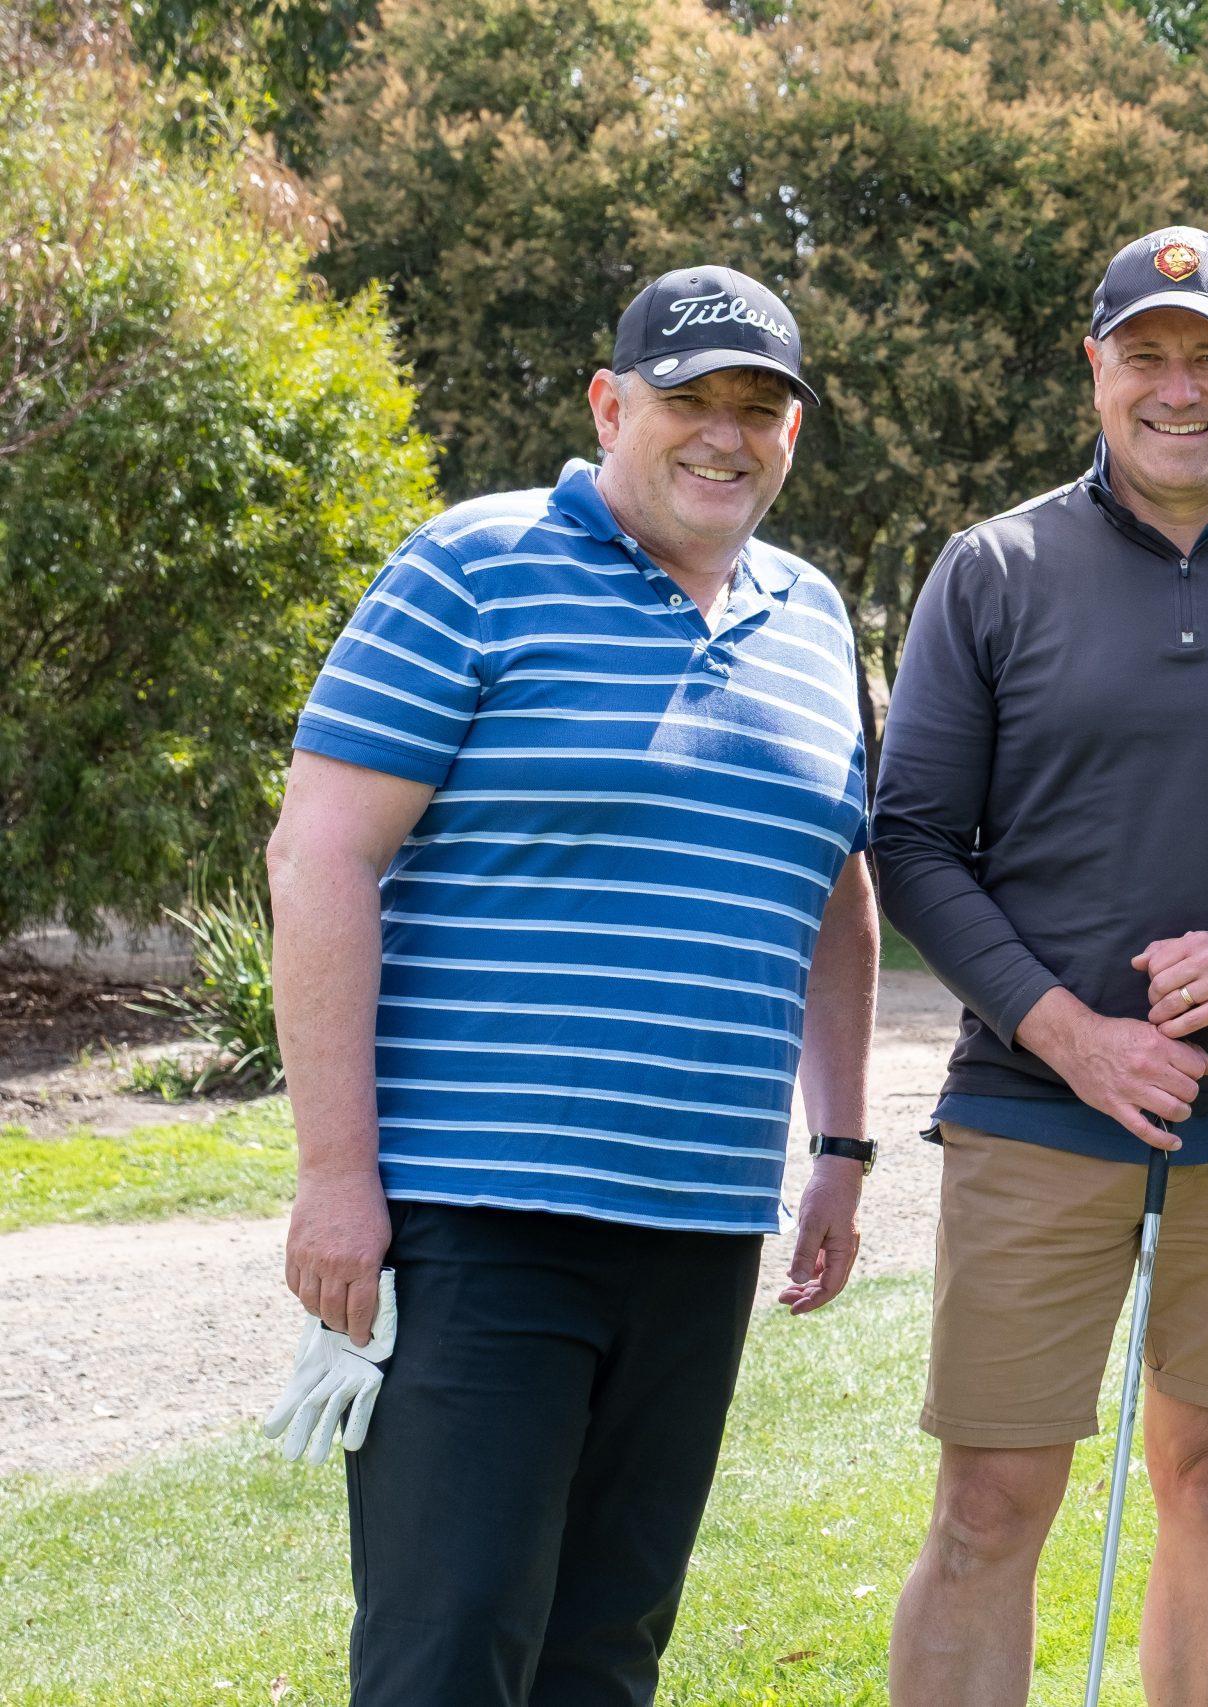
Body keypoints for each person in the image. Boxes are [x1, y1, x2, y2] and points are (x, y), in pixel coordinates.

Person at [266, 264, 877, 1705]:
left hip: (702, 1230)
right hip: (480, 1223)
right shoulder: (471, 568)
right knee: (452, 1649)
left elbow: (835, 894)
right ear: (610, 406)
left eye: (760, 408)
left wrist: (842, 1144)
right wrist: (336, 1181)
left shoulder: (812, 619)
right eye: (689, 399)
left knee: (607, 1654)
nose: (726, 434)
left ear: (792, 433)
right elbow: (320, 856)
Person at [871, 226, 1208, 1704]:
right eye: (1146, 357)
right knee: (989, 1503)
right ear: (1096, 371)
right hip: (1033, 1102)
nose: (1178, 389)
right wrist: (1071, 1035)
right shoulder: (993, 570)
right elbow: (912, 839)